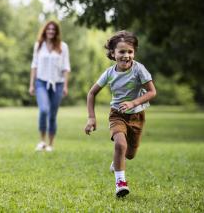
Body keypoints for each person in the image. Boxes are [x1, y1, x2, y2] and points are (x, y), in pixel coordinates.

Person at [84, 30, 157, 197]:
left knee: (129, 154)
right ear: (113, 53)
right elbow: (91, 93)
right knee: (120, 145)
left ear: (134, 53)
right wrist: (91, 118)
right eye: (122, 51)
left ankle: (117, 162)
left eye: (130, 51)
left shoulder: (139, 70)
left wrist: (133, 103)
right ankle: (121, 183)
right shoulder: (109, 74)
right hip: (117, 114)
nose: (126, 55)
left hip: (137, 115)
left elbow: (152, 92)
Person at [29, 21, 70, 152]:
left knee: (52, 114)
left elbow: (66, 67)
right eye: (49, 29)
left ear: (56, 32)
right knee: (44, 110)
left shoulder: (63, 47)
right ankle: (42, 141)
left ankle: (51, 144)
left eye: (53, 29)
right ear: (45, 31)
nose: (51, 31)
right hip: (41, 82)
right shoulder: (38, 45)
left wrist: (65, 86)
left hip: (57, 84)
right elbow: (34, 65)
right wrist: (31, 84)